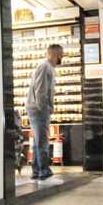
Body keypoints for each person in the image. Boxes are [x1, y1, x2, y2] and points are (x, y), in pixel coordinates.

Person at [25, 44, 63, 180]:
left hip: (37, 108)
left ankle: (37, 170)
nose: (62, 58)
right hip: (38, 109)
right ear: (55, 54)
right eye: (61, 55)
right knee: (42, 140)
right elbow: (40, 90)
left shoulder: (49, 68)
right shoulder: (45, 67)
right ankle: (43, 170)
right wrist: (45, 109)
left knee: (38, 140)